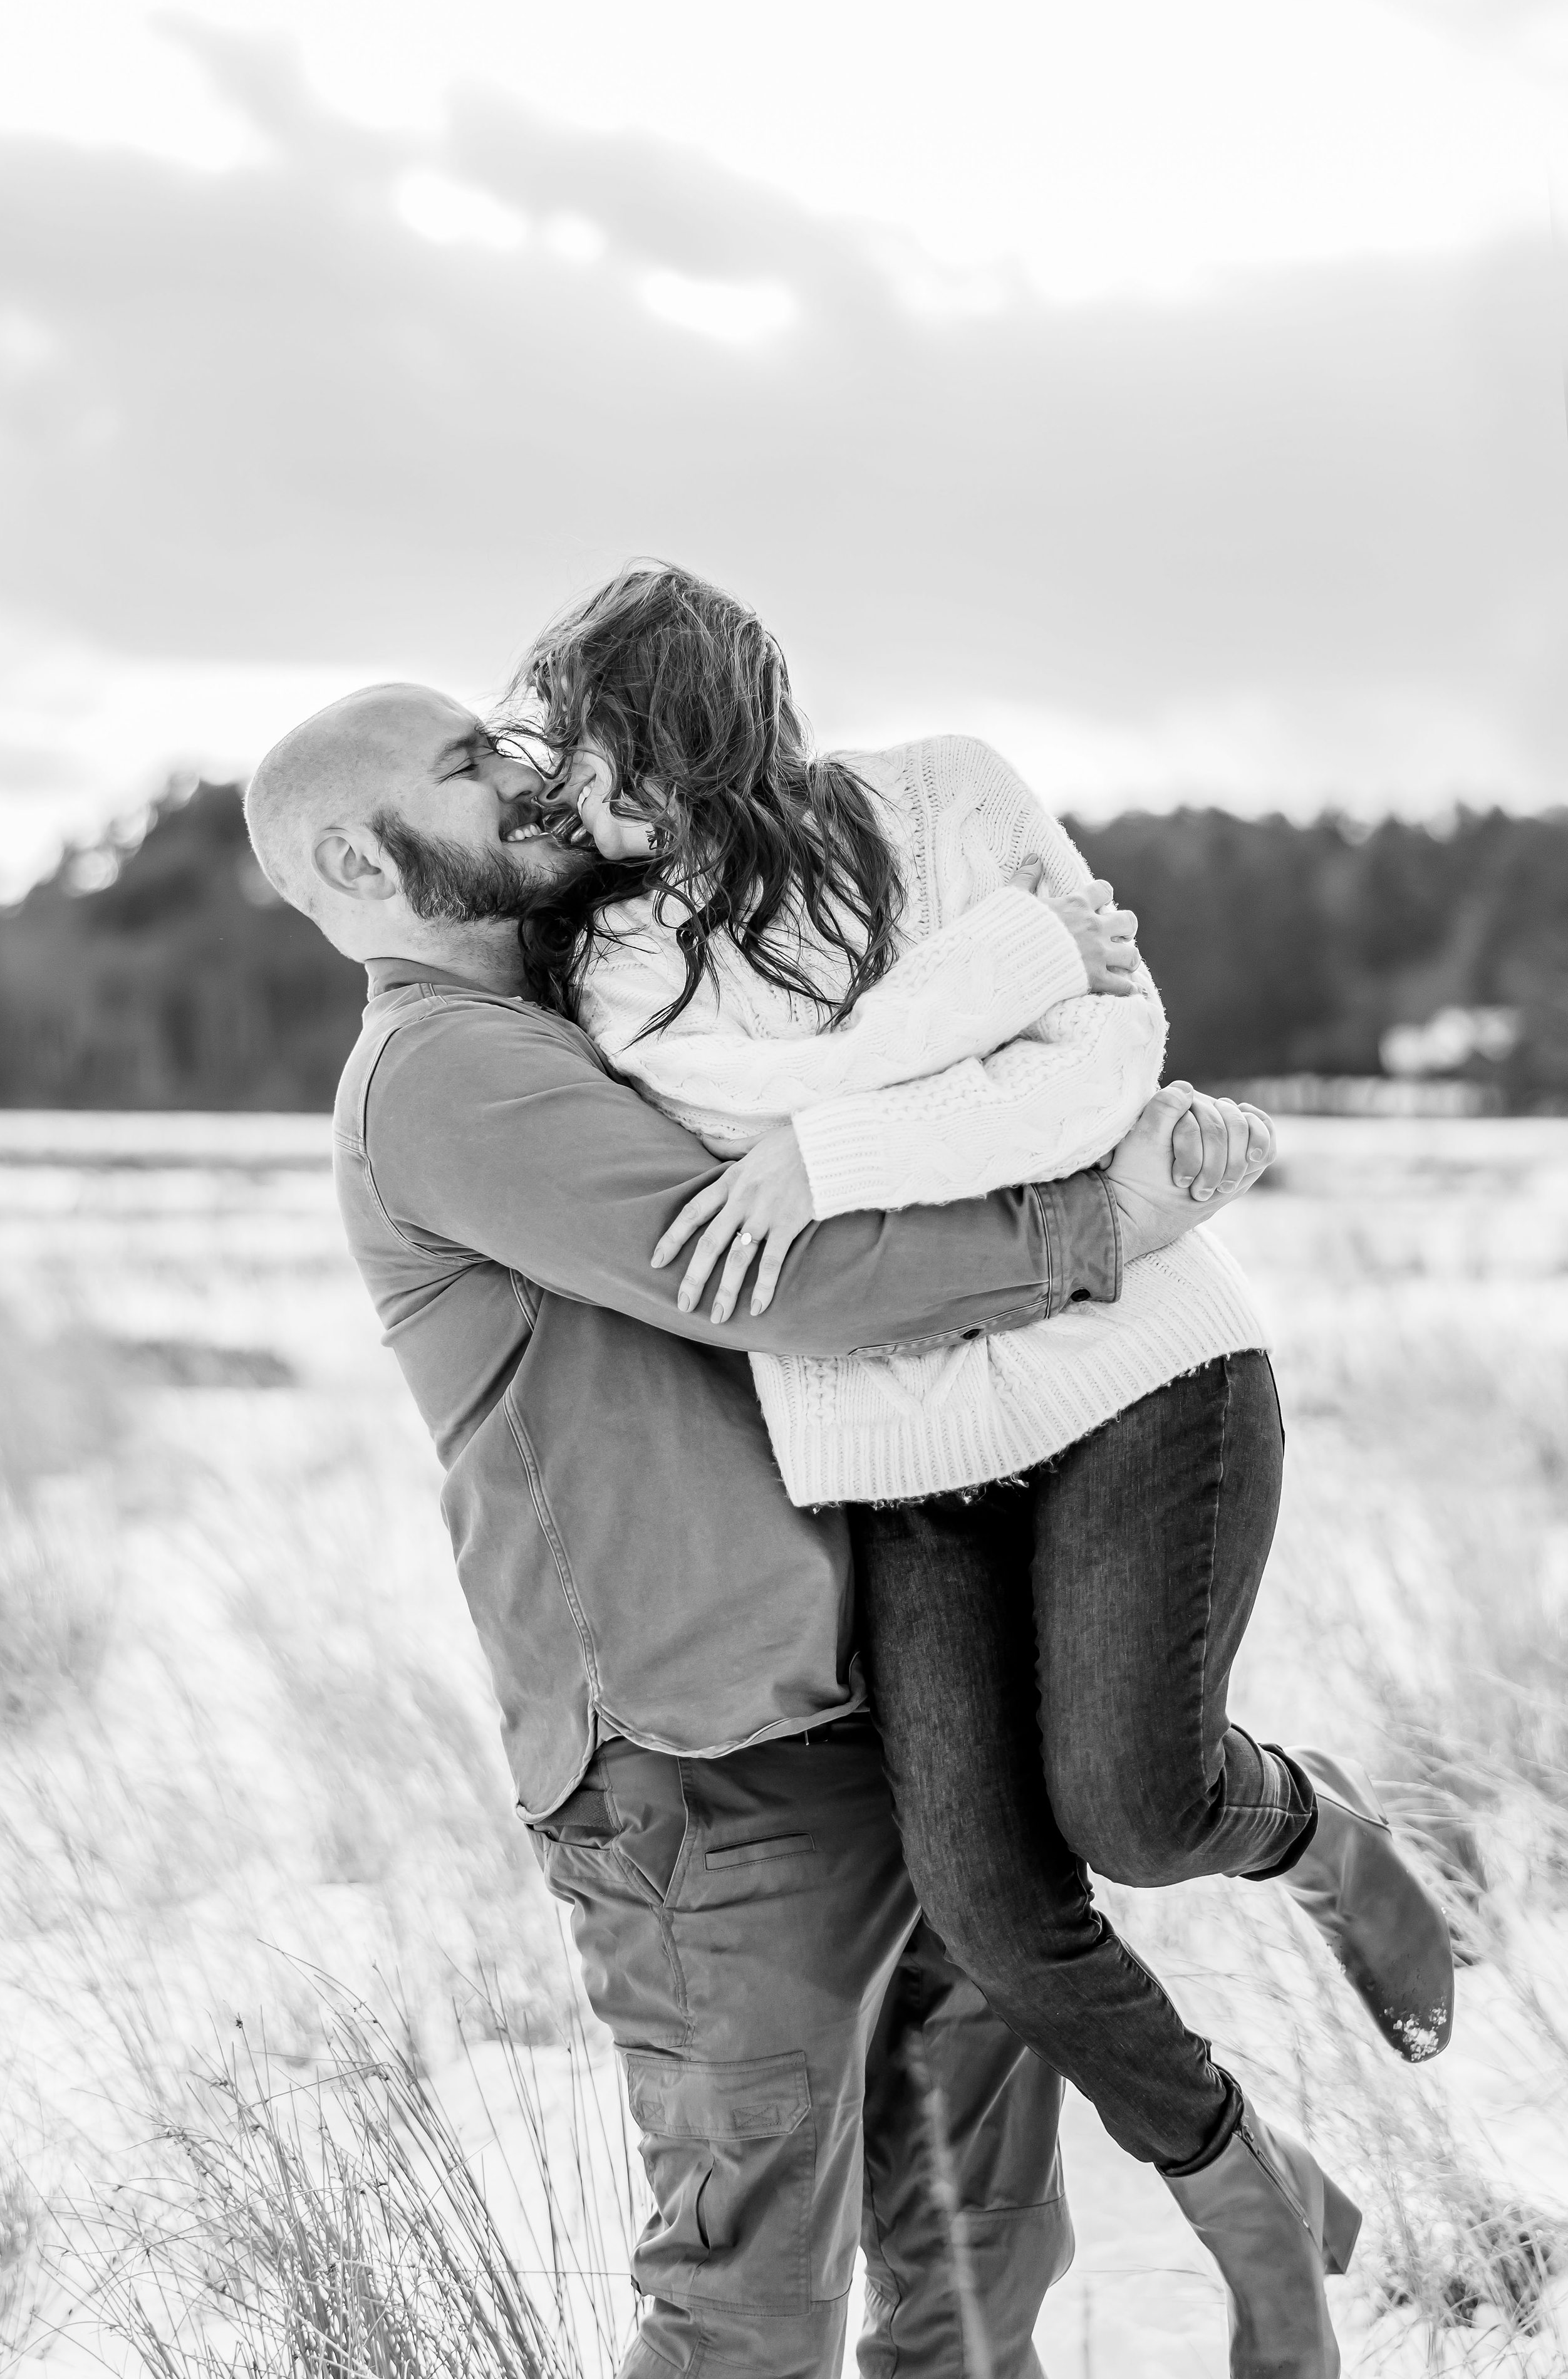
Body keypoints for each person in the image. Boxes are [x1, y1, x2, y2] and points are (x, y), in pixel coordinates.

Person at [244, 680, 1273, 2379]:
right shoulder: (445, 1075)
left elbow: (870, 1047)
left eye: (505, 748)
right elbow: (779, 1276)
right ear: (361, 853)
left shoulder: (607, 999)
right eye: (466, 767)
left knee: (972, 2258)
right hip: (701, 1769)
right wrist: (1093, 1228)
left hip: (885, 1708)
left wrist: (1041, 947)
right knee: (749, 2303)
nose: (523, 781)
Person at [507, 562, 1457, 2379]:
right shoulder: (623, 968)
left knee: (1133, 1805)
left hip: (1141, 1362)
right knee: (992, 1900)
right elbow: (780, 1130)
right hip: (904, 1445)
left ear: (695, 723)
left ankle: (1304, 1823)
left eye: (602, 744)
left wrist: (827, 1142)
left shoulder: (948, 788)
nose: (575, 794)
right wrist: (1003, 973)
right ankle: (1248, 2200)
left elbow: (1104, 1074)